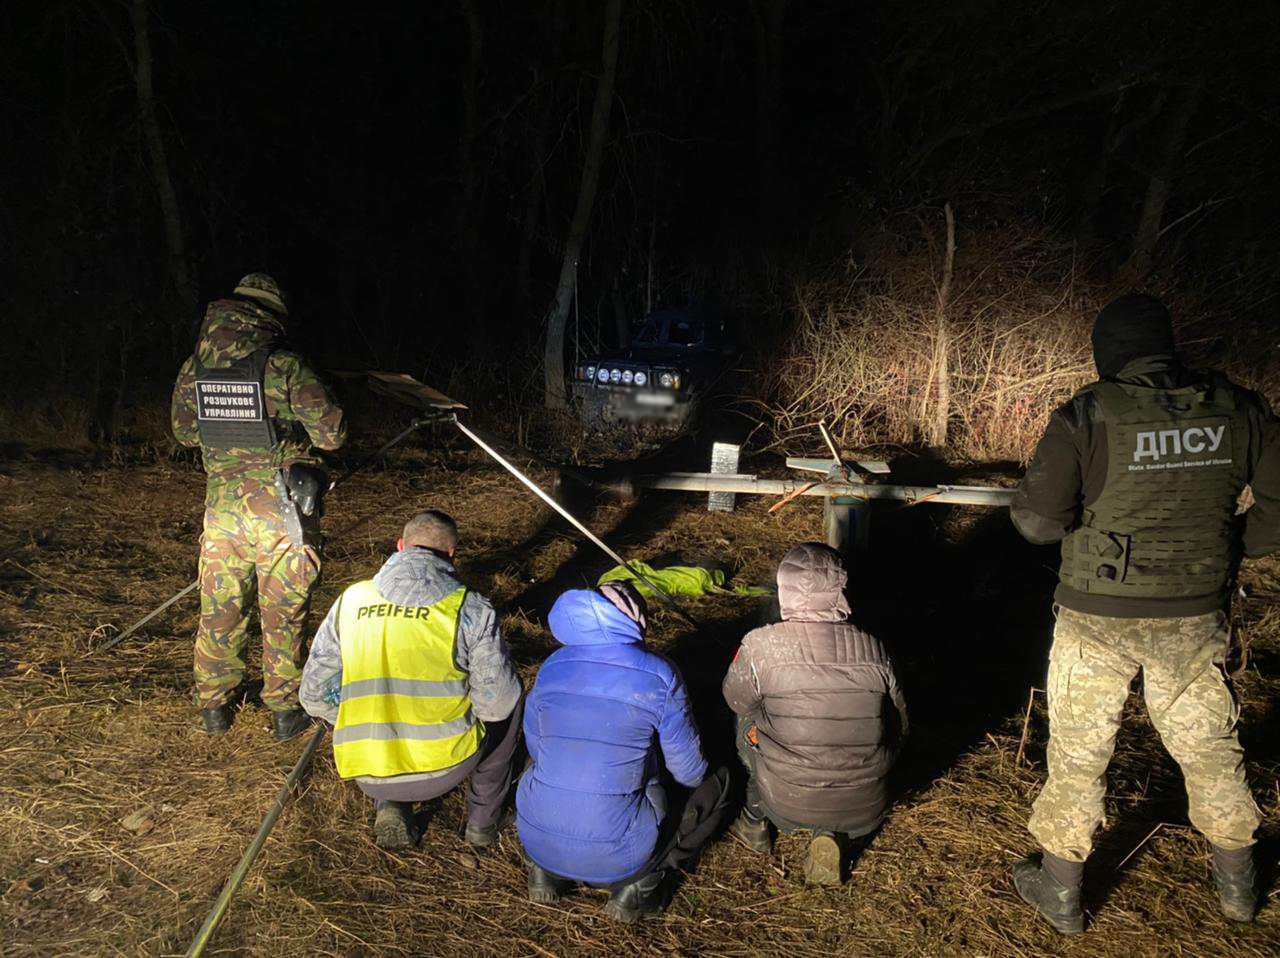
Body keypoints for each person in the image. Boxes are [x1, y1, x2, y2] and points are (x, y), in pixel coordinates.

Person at [1010, 293, 1280, 933]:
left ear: (1109, 353)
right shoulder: (1239, 410)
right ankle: (1239, 887)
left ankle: (1061, 890)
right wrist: (1236, 544)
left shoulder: (1089, 414)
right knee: (1210, 744)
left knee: (1079, 750)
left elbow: (1037, 522)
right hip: (1192, 616)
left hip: (1095, 618)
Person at [171, 273, 346, 741]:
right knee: (283, 609)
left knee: (220, 609)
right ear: (270, 318)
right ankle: (285, 713)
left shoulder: (195, 369)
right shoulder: (284, 366)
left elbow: (184, 433)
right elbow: (332, 434)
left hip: (223, 512)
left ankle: (214, 709)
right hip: (280, 511)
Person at [299, 511, 524, 849]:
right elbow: (495, 705)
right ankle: (483, 823)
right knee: (512, 702)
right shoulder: (471, 608)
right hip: (447, 766)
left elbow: (314, 695)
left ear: (400, 546)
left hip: (367, 770)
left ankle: (389, 803)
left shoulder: (351, 600)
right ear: (451, 554)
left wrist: (362, 720)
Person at [516, 582, 729, 923]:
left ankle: (543, 869)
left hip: (535, 836)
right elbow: (688, 772)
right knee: (717, 781)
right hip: (621, 854)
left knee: (550, 765)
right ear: (637, 620)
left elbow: (537, 748)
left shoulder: (552, 666)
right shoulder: (660, 674)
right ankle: (644, 882)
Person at [722, 542, 908, 885]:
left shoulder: (761, 645)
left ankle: (755, 818)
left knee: (745, 719)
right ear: (842, 589)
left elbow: (735, 700)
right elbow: (901, 720)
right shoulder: (875, 648)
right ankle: (831, 831)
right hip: (867, 802)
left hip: (787, 801)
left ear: (784, 591)